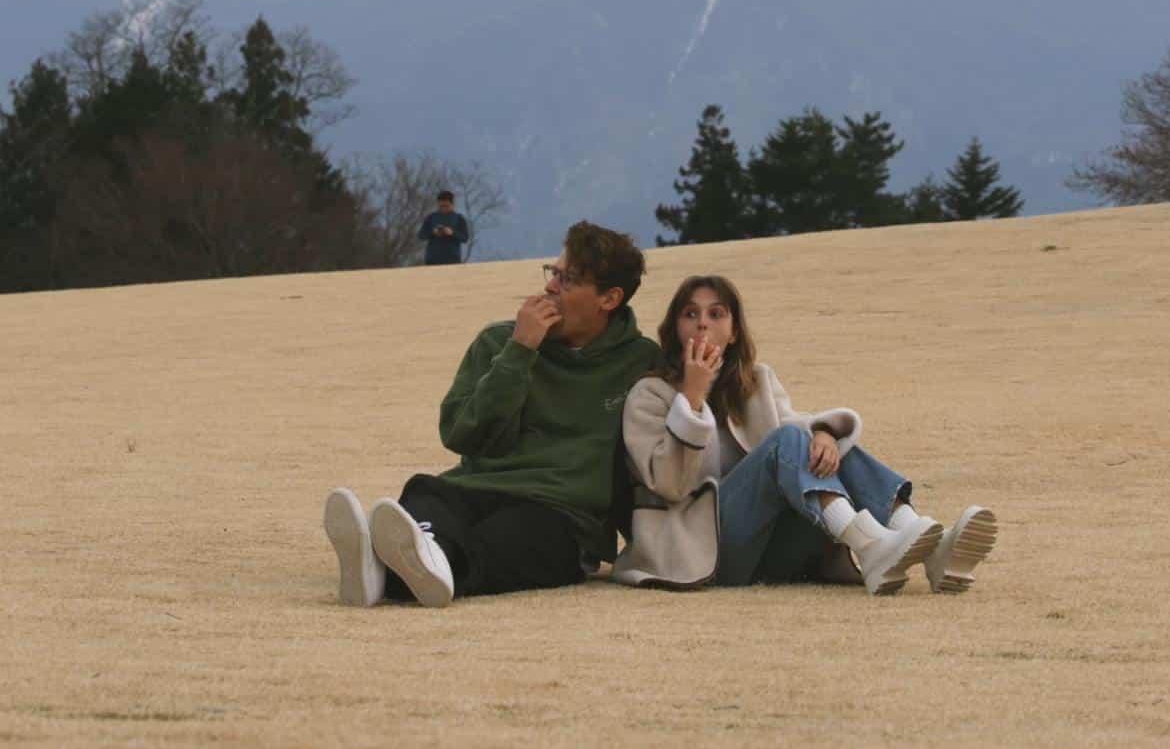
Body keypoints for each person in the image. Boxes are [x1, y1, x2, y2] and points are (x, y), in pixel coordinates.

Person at [324, 220, 659, 607]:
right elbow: (462, 434)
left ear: (609, 299)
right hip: (475, 488)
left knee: (511, 536)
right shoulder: (499, 342)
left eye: (568, 280)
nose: (550, 286)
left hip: (561, 515)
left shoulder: (641, 363)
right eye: (553, 272)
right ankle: (400, 564)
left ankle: (383, 569)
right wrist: (519, 353)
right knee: (427, 495)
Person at [612, 274, 997, 597]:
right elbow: (668, 483)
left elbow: (798, 431)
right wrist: (692, 399)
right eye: (690, 314)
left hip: (771, 551)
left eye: (716, 314)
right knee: (787, 441)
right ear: (673, 329)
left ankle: (929, 545)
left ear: (733, 333)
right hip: (699, 554)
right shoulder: (649, 395)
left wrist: (826, 432)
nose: (702, 323)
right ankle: (872, 545)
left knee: (823, 444)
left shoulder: (756, 381)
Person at [418, 189, 470, 266]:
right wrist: (433, 232)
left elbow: (465, 238)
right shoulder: (431, 218)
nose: (443, 209)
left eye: (446, 206)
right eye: (441, 206)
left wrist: (452, 233)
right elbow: (421, 235)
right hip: (432, 260)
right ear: (438, 204)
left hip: (452, 260)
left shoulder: (459, 218)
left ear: (452, 204)